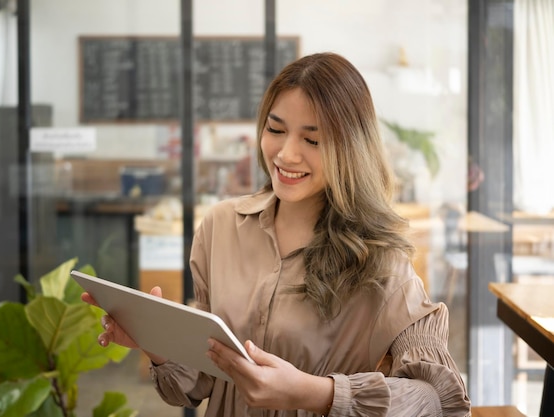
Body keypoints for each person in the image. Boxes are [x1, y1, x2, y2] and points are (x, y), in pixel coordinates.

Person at [82, 52, 471, 416]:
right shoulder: (220, 226)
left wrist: (313, 392)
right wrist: (159, 344)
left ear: (351, 148)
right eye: (276, 129)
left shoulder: (381, 259)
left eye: (312, 140)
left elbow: (437, 399)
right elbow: (199, 382)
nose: (286, 154)